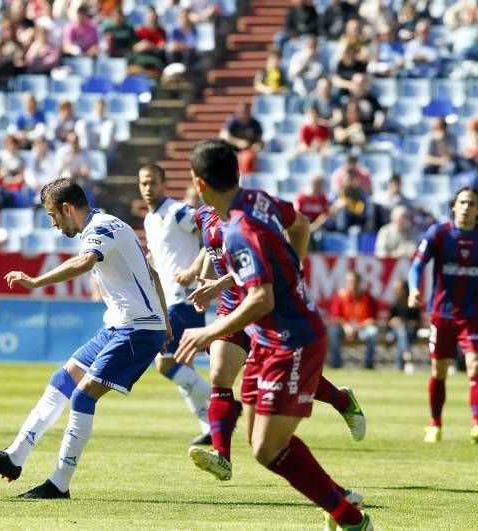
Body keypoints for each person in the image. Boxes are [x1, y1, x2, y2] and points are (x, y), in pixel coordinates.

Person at [174, 139, 372, 530]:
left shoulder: (237, 231)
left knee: (268, 450)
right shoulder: (257, 200)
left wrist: (208, 331)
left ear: (200, 184)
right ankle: (341, 504)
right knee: (260, 443)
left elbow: (262, 298)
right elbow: (299, 224)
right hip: (270, 337)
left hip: (293, 338)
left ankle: (350, 518)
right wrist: (292, 268)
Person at [0, 178, 171, 499]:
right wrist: (167, 323)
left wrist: (35, 281)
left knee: (82, 396)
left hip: (138, 327)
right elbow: (153, 275)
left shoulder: (100, 228)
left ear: (66, 208)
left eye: (52, 216)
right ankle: (14, 457)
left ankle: (59, 483)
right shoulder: (108, 225)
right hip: (121, 325)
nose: (52, 224)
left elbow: (85, 261)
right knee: (63, 379)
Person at [139, 164, 212, 445]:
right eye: (143, 183)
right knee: (184, 365)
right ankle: (210, 426)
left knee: (164, 363)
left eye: (152, 182)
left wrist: (194, 270)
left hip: (185, 298)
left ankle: (223, 404)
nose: (148, 188)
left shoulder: (178, 212)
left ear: (163, 183)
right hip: (169, 298)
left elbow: (212, 236)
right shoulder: (150, 219)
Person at [408, 187, 478, 444]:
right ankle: (435, 424)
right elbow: (418, 264)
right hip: (442, 314)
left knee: (476, 364)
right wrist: (413, 289)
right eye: (462, 202)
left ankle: (477, 425)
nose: (466, 207)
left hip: (474, 314)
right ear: (454, 206)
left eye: (472, 203)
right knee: (439, 370)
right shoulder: (439, 233)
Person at [328, 271, 379, 369]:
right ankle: (336, 364)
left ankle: (369, 364)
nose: (353, 285)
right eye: (350, 282)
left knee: (373, 332)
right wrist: (346, 326)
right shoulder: (341, 296)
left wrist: (356, 328)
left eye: (355, 282)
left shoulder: (367, 298)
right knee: (333, 332)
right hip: (345, 329)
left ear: (360, 283)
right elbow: (335, 317)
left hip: (361, 329)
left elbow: (372, 319)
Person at [388, 279, 420, 372]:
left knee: (403, 333)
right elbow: (389, 322)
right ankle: (407, 356)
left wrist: (404, 323)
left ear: (405, 290)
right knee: (402, 331)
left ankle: (399, 365)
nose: (396, 291)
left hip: (410, 332)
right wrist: (395, 322)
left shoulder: (413, 303)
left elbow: (416, 322)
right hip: (393, 333)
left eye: (399, 289)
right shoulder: (394, 304)